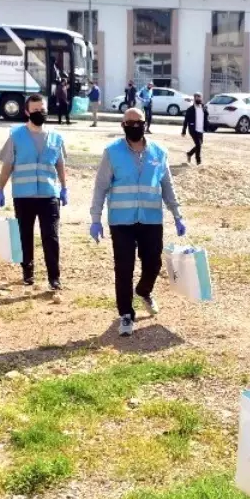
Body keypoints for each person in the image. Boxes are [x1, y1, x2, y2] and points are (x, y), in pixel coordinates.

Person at [89, 107, 187, 337]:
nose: (134, 126)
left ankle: (143, 291)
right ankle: (125, 313)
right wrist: (95, 219)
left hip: (151, 219)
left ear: (145, 123)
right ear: (123, 125)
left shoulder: (159, 153)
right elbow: (101, 186)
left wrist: (177, 214)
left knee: (153, 264)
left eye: (138, 122)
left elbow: (167, 186)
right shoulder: (112, 152)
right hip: (121, 220)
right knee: (124, 267)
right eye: (129, 122)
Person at [0, 94, 69, 290]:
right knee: (24, 236)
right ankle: (27, 271)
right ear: (27, 112)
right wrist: (0, 189)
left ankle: (54, 277)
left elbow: (60, 164)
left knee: (51, 237)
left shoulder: (56, 137)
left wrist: (64, 187)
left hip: (49, 195)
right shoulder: (16, 136)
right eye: (35, 110)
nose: (39, 113)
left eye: (42, 109)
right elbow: (7, 165)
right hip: (23, 195)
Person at [181, 93, 208, 165]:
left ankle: (189, 154)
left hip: (201, 129)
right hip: (193, 129)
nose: (198, 98)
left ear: (201, 98)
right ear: (194, 98)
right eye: (196, 97)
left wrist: (208, 126)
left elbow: (206, 117)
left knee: (200, 144)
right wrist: (184, 131)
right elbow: (186, 120)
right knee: (198, 145)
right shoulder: (190, 109)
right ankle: (198, 162)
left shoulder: (204, 107)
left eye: (199, 97)